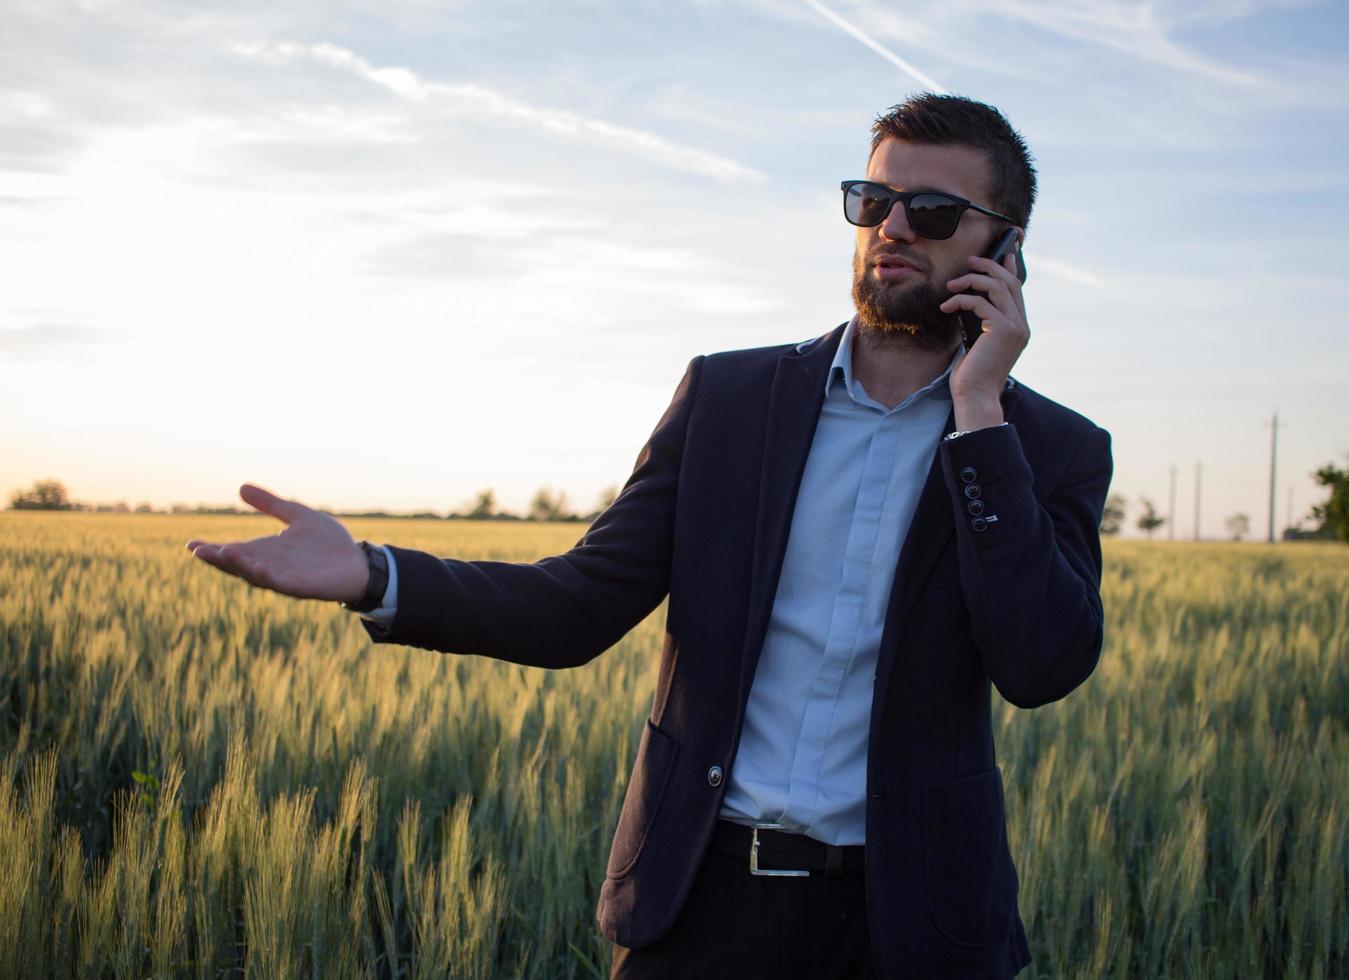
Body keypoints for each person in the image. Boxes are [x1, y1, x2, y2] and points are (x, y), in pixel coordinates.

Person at [188, 93, 1112, 979]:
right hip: (699, 903)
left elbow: (1041, 667)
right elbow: (575, 606)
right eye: (872, 200)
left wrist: (980, 414)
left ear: (1006, 246)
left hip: (911, 928)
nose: (894, 227)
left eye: (935, 210)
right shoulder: (728, 401)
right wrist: (371, 574)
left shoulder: (1049, 449)